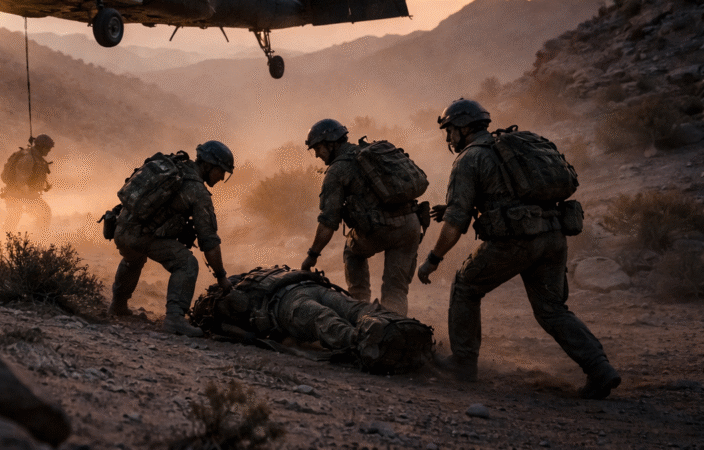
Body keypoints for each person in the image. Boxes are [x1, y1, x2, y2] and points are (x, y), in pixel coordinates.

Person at [417, 98, 622, 399]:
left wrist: (433, 259)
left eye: (450, 131)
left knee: (465, 285)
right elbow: (509, 193)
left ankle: (463, 363)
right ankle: (600, 369)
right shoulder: (507, 146)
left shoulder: (469, 158)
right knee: (552, 309)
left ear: (463, 127)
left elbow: (456, 223)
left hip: (516, 241)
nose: (448, 138)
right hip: (553, 236)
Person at [191, 265, 433, 374]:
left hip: (293, 297)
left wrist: (249, 336)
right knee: (340, 313)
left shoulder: (231, 290)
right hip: (298, 295)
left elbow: (220, 325)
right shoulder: (231, 294)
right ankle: (385, 336)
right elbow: (221, 325)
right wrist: (249, 336)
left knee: (337, 315)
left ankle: (387, 336)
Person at [299, 119, 425, 316]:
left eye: (318, 148)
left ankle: (359, 309)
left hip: (383, 227)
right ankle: (396, 329)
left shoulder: (337, 170)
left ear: (331, 143)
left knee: (352, 251)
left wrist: (311, 256)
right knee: (395, 289)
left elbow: (328, 222)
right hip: (411, 224)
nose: (316, 154)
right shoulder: (367, 153)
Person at [108, 140, 235, 337]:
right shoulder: (198, 192)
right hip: (140, 236)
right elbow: (209, 241)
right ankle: (175, 319)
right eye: (221, 171)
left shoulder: (174, 166)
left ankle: (118, 304)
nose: (222, 177)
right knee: (187, 263)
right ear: (208, 165)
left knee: (133, 258)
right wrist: (221, 277)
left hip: (120, 228)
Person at [0, 134, 54, 233]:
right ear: (42, 147)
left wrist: (42, 187)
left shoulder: (37, 157)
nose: (49, 151)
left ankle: (37, 238)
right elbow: (21, 179)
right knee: (14, 217)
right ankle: (4, 241)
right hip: (15, 193)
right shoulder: (28, 158)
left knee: (44, 213)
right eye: (48, 148)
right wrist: (28, 196)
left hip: (25, 194)